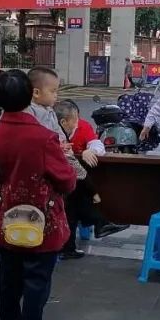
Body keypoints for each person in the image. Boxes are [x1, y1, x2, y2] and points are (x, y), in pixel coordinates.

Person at [0, 69, 76, 320]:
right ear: (29, 95)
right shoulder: (43, 137)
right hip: (42, 224)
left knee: (8, 279)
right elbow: (66, 180)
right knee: (37, 282)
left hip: (6, 219)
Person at [55, 99, 128, 258]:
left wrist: (90, 151)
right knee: (77, 196)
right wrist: (94, 192)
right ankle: (100, 221)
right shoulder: (53, 132)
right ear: (63, 121)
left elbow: (97, 146)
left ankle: (72, 245)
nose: (77, 123)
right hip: (61, 181)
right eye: (75, 119)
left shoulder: (83, 126)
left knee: (74, 201)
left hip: (72, 183)